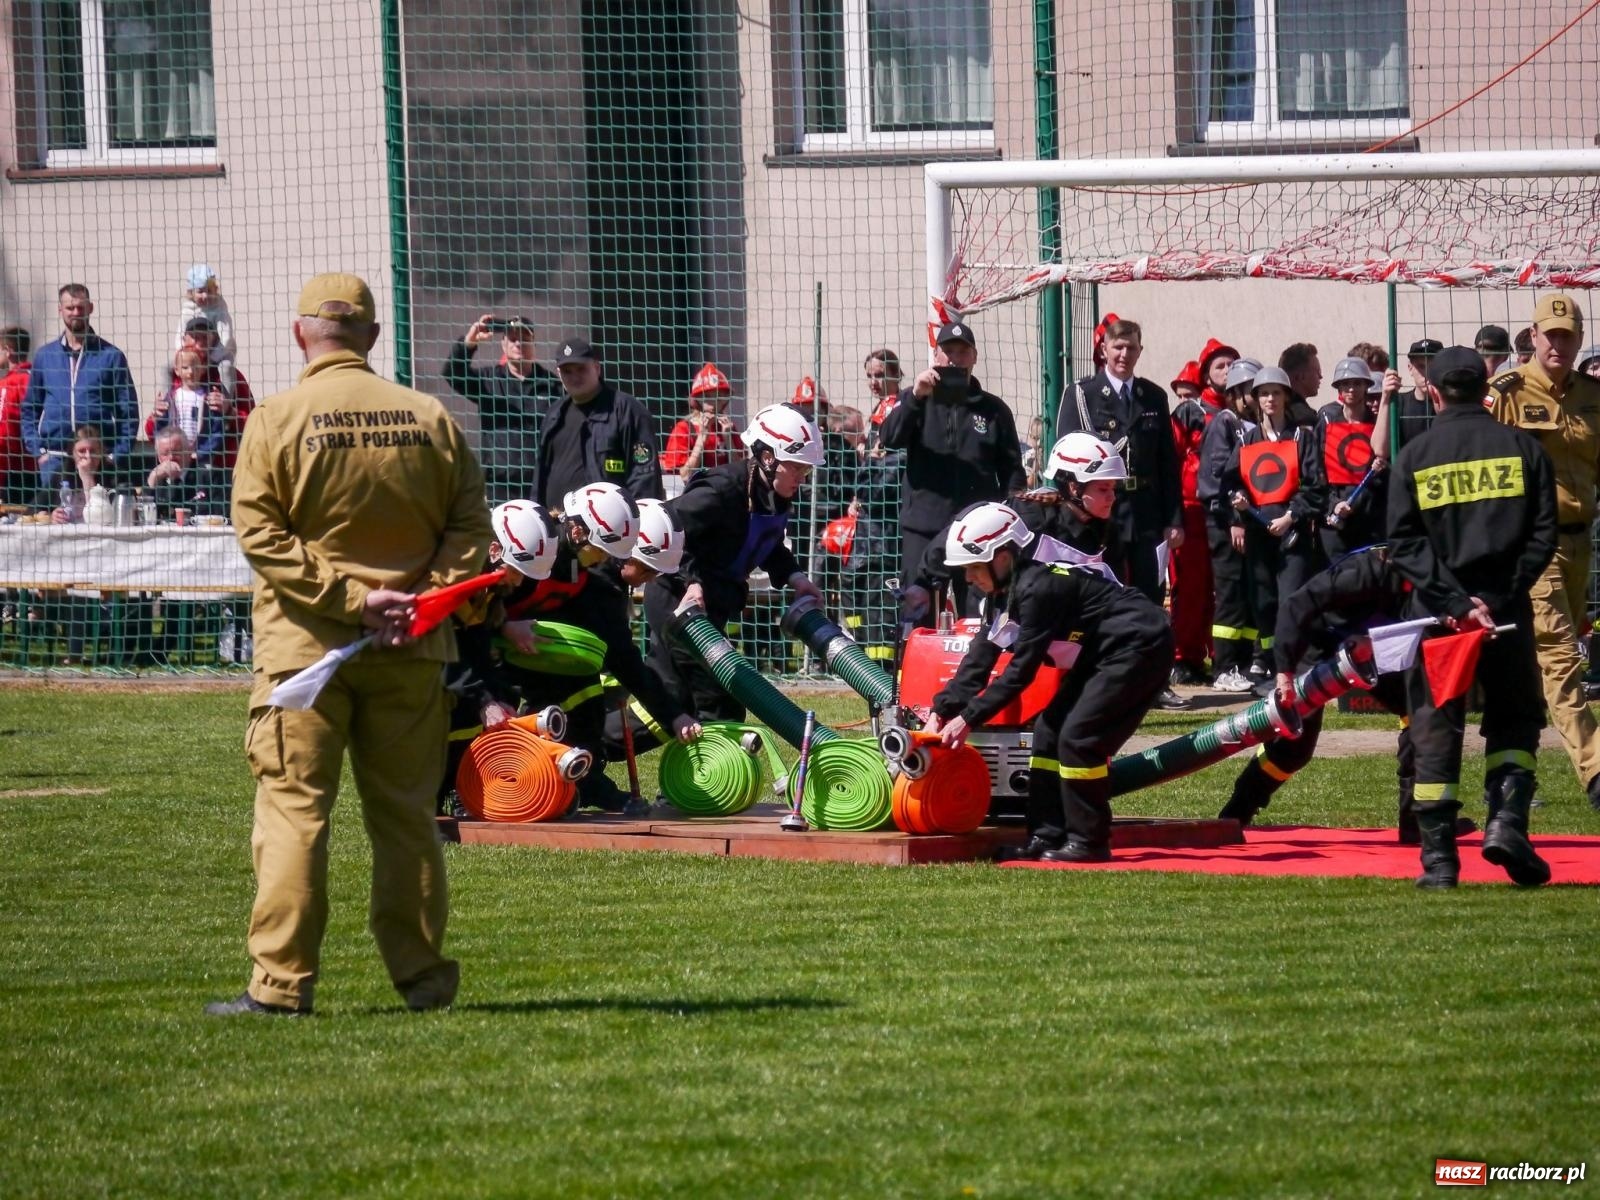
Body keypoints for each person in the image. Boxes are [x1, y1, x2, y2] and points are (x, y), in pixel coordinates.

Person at [207, 273, 491, 1017]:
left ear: (300, 334)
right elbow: (471, 529)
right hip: (412, 651)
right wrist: (417, 603)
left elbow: (260, 534)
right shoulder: (429, 418)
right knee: (406, 819)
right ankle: (424, 982)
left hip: (304, 655)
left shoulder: (275, 419)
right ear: (371, 336)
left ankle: (280, 987)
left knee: (294, 815)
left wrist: (351, 602)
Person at [1389, 345, 1556, 888]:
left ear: (1435, 393)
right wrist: (1499, 597)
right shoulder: (1524, 449)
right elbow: (1543, 535)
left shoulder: (1414, 456)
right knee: (1515, 720)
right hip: (1506, 615)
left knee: (1436, 727)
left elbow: (1404, 544)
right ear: (1486, 389)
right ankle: (1507, 823)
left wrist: (1457, 604)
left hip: (1441, 620)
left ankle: (1439, 861)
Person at [925, 501, 1173, 863]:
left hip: (1141, 645)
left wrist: (967, 720)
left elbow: (1020, 673)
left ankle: (1089, 841)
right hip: (1105, 650)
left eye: (974, 568)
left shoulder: (1038, 589)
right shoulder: (1006, 593)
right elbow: (981, 657)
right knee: (1048, 730)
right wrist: (941, 710)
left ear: (1003, 557)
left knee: (1079, 738)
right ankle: (1045, 834)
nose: (968, 579)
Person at [454, 490, 701, 811]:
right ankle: (476, 787)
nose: (605, 560)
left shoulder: (585, 574)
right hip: (479, 656)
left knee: (584, 690)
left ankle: (580, 782)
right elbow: (469, 622)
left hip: (526, 652)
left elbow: (624, 658)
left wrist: (673, 715)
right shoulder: (533, 556)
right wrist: (503, 628)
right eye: (645, 569)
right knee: (487, 708)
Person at [1216, 544, 1469, 847]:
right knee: (1294, 748)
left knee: (1419, 714)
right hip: (1316, 646)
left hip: (1370, 649)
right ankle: (1234, 815)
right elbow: (1295, 606)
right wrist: (1284, 672)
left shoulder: (1426, 580)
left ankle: (1416, 823)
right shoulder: (1360, 572)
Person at [642, 404, 826, 727]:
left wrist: (796, 578)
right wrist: (692, 581)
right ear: (767, 457)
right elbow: (667, 526)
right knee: (720, 701)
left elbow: (766, 543)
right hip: (676, 601)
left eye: (806, 470)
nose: (802, 478)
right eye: (796, 468)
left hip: (710, 608)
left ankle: (604, 742)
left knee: (671, 701)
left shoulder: (773, 494)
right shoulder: (721, 490)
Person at [1487, 293, 1600, 809]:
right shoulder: (1507, 393)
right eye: (1550, 334)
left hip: (1581, 543)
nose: (1558, 344)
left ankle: (1512, 775)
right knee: (1560, 659)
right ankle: (1596, 772)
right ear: (1532, 337)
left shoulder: (1592, 396)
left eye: (1567, 335)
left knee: (1543, 664)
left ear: (1580, 339)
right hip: (1535, 546)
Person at [880, 319, 1024, 622]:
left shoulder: (994, 410)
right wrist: (916, 397)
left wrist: (1009, 513)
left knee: (977, 615)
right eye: (948, 352)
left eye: (962, 352)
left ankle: (979, 654)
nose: (955, 359)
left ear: (974, 357)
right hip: (924, 525)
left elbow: (1012, 469)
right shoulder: (916, 399)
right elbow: (889, 438)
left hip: (976, 528)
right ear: (936, 356)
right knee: (918, 612)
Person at [1053, 317, 1182, 606]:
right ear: (1104, 349)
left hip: (1147, 512)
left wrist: (1174, 520)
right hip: (1103, 512)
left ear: (1140, 351)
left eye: (1131, 348)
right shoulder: (1082, 395)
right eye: (1118, 347)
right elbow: (1065, 461)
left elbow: (1167, 464)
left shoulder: (1153, 396)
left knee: (1149, 594)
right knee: (1104, 592)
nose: (1124, 354)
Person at [1223, 365, 1322, 693]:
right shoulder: (1246, 440)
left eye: (1276, 393)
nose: (1270, 399)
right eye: (1264, 394)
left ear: (1286, 397)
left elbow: (1315, 487)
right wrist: (1237, 501)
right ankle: (1270, 666)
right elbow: (1229, 483)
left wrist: (1291, 517)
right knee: (1264, 604)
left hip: (1292, 536)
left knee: (1291, 601)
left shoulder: (1301, 438)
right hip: (1258, 536)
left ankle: (1293, 669)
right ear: (1256, 399)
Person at [21, 284, 138, 493]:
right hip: (55, 460)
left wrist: (116, 455)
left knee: (99, 510)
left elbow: (128, 412)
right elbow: (30, 408)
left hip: (98, 459)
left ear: (90, 308)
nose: (75, 312)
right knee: (57, 512)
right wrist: (39, 451)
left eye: (81, 308)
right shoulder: (45, 356)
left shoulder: (111, 356)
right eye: (70, 308)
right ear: (60, 310)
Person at [1168, 338, 1237, 685]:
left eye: (1231, 365)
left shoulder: (1241, 411)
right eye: (1219, 365)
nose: (1226, 370)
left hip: (1228, 512)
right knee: (1192, 588)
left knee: (1224, 588)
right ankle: (1185, 657)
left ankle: (1221, 657)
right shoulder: (1190, 411)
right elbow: (1170, 459)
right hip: (1193, 510)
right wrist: (1173, 513)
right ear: (1207, 374)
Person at [442, 314, 559, 504]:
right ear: (503, 345)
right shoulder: (488, 381)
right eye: (512, 339)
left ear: (534, 345)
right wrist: (469, 342)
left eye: (525, 339)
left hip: (542, 484)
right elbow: (452, 373)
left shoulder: (552, 385)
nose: (518, 343)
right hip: (499, 487)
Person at [535, 336, 663, 510]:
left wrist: (636, 518)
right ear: (559, 374)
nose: (574, 377)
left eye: (581, 369)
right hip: (556, 521)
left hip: (607, 523)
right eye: (567, 371)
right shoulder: (553, 415)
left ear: (597, 368)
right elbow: (540, 475)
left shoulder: (627, 411)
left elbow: (644, 477)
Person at [1198, 357, 1262, 692]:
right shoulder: (1225, 423)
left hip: (1252, 523)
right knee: (1230, 595)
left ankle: (1244, 665)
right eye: (1253, 390)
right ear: (1236, 392)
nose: (1260, 396)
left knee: (1248, 596)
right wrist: (1234, 520)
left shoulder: (1257, 427)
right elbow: (1217, 479)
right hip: (1226, 525)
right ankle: (1224, 668)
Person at [1303, 356, 1392, 561]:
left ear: (1366, 386)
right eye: (1346, 384)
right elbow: (1314, 473)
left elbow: (1391, 468)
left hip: (1371, 518)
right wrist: (1333, 504)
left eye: (1357, 383)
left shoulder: (1379, 423)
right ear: (1338, 388)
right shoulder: (1326, 420)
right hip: (1335, 521)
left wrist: (1383, 468)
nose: (1351, 389)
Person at [660, 362, 737, 489]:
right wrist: (701, 438)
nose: (713, 403)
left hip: (725, 492)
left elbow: (741, 473)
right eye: (707, 397)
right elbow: (683, 477)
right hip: (695, 493)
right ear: (697, 400)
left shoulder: (728, 428)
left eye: (718, 397)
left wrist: (728, 439)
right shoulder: (683, 429)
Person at [175, 264, 237, 396]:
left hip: (219, 352)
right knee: (167, 368)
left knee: (226, 368)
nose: (205, 295)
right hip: (193, 353)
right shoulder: (187, 309)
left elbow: (226, 338)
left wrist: (212, 358)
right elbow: (180, 336)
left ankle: (227, 399)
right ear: (191, 292)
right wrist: (183, 354)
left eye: (209, 291)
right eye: (200, 291)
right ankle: (166, 399)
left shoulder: (219, 308)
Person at [1388, 337, 1442, 454]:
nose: (1426, 374)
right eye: (1421, 366)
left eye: (1432, 367)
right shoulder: (1399, 403)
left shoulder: (1451, 403)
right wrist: (1384, 397)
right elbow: (1381, 450)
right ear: (1410, 368)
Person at [0, 326, 33, 506]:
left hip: (12, 471)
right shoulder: (35, 378)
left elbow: (4, 431)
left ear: (8, 351)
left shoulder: (10, 383)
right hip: (36, 465)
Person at [863, 348, 903, 447]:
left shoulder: (904, 406)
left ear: (896, 375)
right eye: (869, 376)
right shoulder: (878, 408)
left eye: (879, 375)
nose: (873, 382)